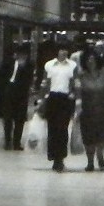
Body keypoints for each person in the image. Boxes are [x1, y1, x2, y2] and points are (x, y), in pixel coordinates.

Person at [73, 47, 104, 170]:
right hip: (87, 112)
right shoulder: (81, 75)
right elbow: (76, 92)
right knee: (88, 138)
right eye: (88, 59)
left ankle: (100, 155)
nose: (90, 62)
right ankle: (90, 161)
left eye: (93, 59)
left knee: (102, 137)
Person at [39, 42, 80, 171]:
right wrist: (41, 100)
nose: (63, 52)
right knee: (52, 129)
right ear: (57, 52)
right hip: (52, 98)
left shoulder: (73, 66)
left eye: (65, 50)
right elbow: (45, 83)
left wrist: (76, 98)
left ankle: (60, 158)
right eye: (61, 50)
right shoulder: (49, 65)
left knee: (62, 129)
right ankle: (53, 156)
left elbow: (76, 83)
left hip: (65, 99)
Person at [0, 44, 36, 149]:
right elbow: (0, 75)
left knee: (20, 120)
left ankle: (16, 142)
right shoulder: (8, 63)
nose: (22, 57)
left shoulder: (29, 65)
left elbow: (29, 79)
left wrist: (22, 68)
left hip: (21, 94)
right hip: (8, 92)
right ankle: (7, 141)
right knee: (7, 119)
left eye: (24, 55)